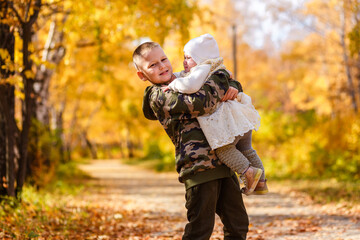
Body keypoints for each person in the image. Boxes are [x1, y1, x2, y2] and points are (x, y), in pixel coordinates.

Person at [133, 41, 249, 239]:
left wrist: (233, 86)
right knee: (200, 229)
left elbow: (217, 78)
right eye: (152, 65)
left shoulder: (185, 79)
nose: (161, 66)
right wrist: (222, 78)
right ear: (142, 75)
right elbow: (200, 102)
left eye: (163, 59)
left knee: (238, 224)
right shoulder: (158, 96)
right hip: (199, 167)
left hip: (224, 160)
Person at [166, 33, 268, 195]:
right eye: (184, 58)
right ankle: (261, 182)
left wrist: (173, 84)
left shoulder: (202, 69)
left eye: (188, 58)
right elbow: (182, 75)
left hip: (227, 123)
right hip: (241, 119)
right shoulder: (217, 68)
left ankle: (248, 173)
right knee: (246, 149)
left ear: (201, 58)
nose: (184, 62)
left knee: (224, 150)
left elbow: (190, 86)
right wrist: (176, 76)